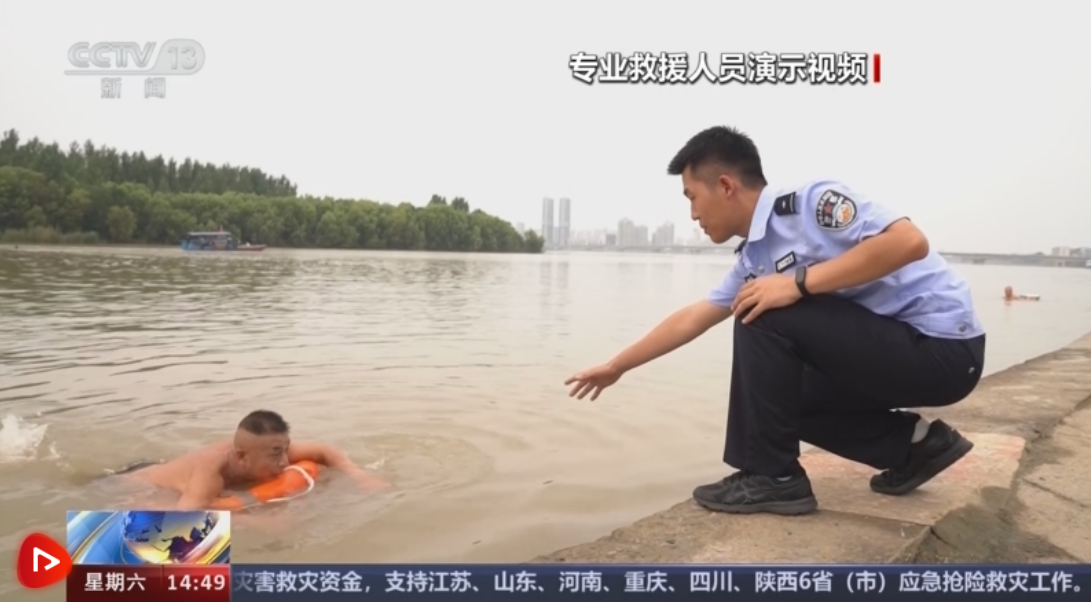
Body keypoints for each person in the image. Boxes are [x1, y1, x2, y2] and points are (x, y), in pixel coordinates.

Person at [564, 126, 986, 516]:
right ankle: (918, 447)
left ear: (725, 185)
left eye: (692, 197)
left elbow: (909, 242)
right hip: (901, 355)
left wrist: (797, 284)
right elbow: (695, 316)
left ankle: (774, 477)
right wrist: (617, 366)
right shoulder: (755, 258)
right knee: (779, 399)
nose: (692, 213)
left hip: (943, 349)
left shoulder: (810, 203)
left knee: (761, 309)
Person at [108, 410, 387, 510]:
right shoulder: (211, 472)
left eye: (285, 450)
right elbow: (185, 522)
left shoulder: (275, 449)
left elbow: (326, 451)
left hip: (167, 464)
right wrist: (253, 519)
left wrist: (361, 477)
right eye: (275, 454)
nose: (284, 462)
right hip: (134, 479)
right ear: (241, 456)